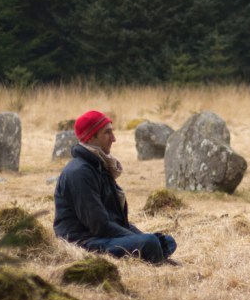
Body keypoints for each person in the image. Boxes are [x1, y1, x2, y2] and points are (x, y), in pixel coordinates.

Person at [54, 110, 177, 264]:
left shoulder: (99, 166)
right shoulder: (80, 173)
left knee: (167, 241)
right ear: (91, 137)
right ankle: (157, 258)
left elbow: (117, 221)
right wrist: (140, 240)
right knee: (150, 243)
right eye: (107, 133)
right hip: (84, 243)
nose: (114, 139)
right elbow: (99, 225)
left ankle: (155, 254)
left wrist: (141, 237)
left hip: (102, 237)